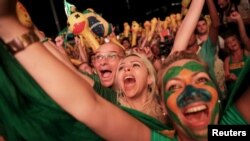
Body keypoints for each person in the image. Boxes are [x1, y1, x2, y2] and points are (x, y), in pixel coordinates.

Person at [0, 0, 208, 140]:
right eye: (123, 67)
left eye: (135, 65)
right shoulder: (110, 100)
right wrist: (30, 32)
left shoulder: (165, 102)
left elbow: (178, 46)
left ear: (152, 79)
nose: (126, 68)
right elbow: (69, 72)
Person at [223, 11, 250, 95]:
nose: (232, 43)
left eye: (233, 40)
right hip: (235, 92)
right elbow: (226, 76)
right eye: (228, 43)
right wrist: (229, 77)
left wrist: (239, 19)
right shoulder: (227, 59)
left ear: (238, 41)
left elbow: (244, 36)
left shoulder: (247, 52)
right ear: (227, 47)